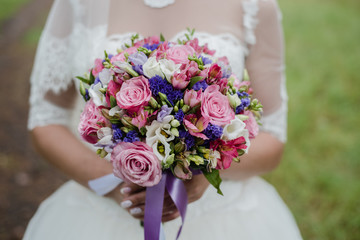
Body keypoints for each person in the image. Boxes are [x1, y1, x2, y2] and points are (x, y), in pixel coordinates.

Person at [24, 0, 303, 239]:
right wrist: (120, 183)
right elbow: (46, 119)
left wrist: (205, 172)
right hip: (101, 204)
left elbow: (273, 137)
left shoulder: (253, 5)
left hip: (220, 212)